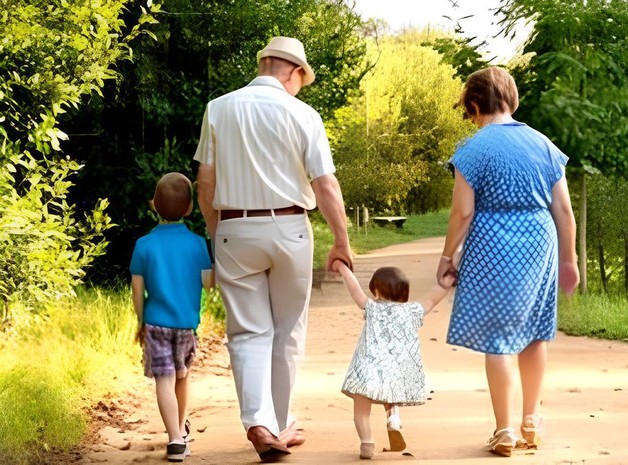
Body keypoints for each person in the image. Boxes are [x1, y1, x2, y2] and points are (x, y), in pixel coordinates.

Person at [193, 36, 353, 462]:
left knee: (248, 332)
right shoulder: (303, 114)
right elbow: (325, 184)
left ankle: (260, 424)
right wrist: (341, 240)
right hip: (289, 228)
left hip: (234, 228)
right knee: (288, 331)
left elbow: (204, 183)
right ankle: (279, 424)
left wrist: (217, 231)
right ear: (294, 72)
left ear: (264, 63)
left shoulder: (219, 108)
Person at [435, 66, 580, 457]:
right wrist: (570, 259)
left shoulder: (472, 150)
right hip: (538, 241)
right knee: (535, 330)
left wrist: (448, 257)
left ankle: (504, 430)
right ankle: (530, 421)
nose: (472, 119)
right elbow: (564, 211)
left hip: (491, 244)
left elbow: (462, 213)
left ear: (476, 104)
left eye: (470, 112)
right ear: (511, 99)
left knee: (498, 337)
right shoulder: (544, 144)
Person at [130, 172, 213, 462]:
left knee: (163, 380)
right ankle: (181, 427)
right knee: (183, 375)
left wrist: (140, 321)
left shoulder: (144, 245)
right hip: (186, 324)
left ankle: (175, 439)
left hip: (155, 322)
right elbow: (209, 282)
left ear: (153, 204)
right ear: (190, 208)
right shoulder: (197, 244)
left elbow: (137, 290)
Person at [333, 261, 454, 460]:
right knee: (390, 396)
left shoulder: (372, 307)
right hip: (397, 369)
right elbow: (434, 297)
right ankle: (393, 420)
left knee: (361, 406)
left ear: (377, 290)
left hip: (368, 368)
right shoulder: (413, 310)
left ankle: (367, 443)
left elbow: (354, 289)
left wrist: (342, 268)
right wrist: (447, 280)